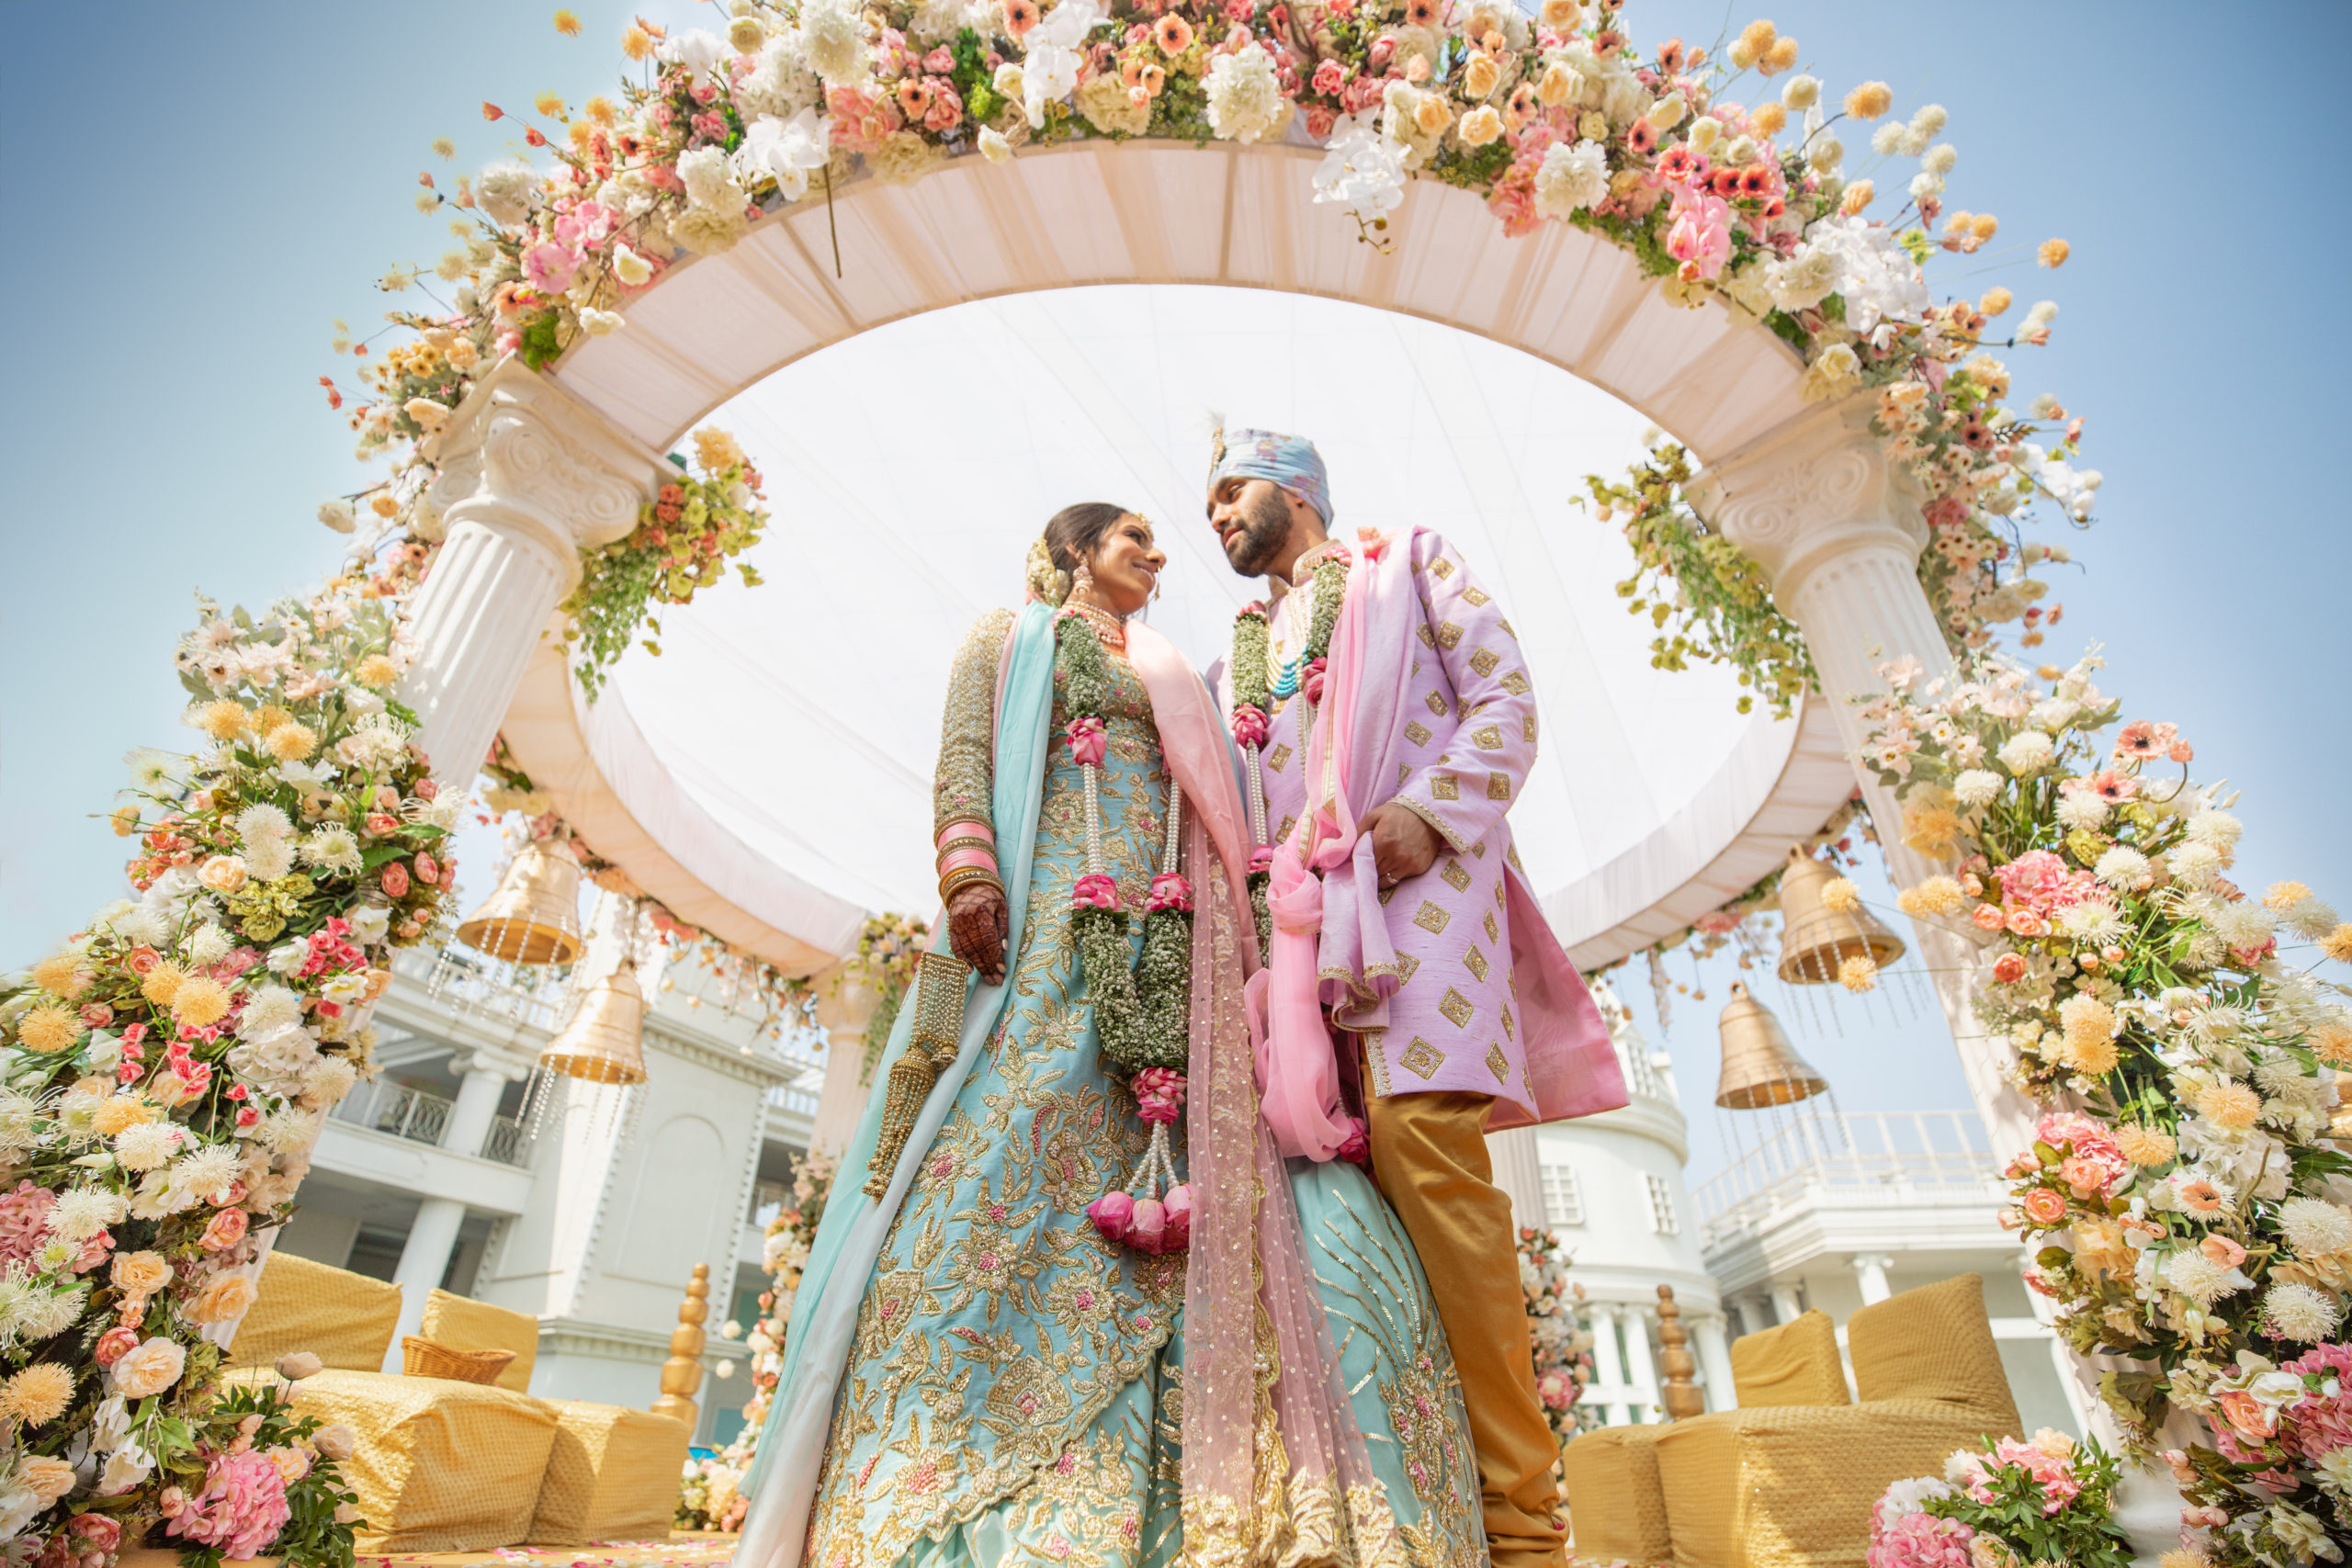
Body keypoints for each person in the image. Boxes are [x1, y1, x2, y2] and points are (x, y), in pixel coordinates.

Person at [733, 503, 1487, 1568]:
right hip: (1048, 922)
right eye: (1132, 535)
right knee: (1010, 1125)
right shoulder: (1010, 639)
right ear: (1071, 553)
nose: (1160, 551)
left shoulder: (1182, 669)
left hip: (1179, 933)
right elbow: (964, 754)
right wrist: (968, 872)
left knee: (1194, 1150)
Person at [1204, 430, 1628, 1568]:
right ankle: (1396, 1511)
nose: (1211, 515)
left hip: (1423, 899)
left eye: (1228, 490)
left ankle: (1523, 1522)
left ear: (1295, 490)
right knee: (1329, 1204)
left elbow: (1507, 701)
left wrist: (1426, 816)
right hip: (1292, 945)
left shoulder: (1408, 563)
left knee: (1423, 1151)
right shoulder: (1233, 653)